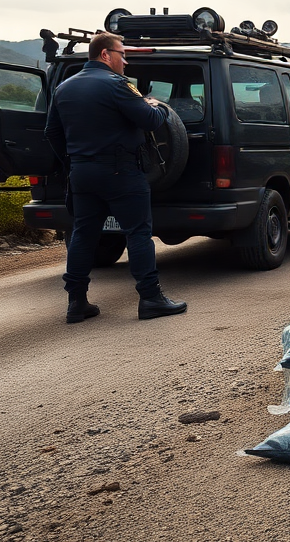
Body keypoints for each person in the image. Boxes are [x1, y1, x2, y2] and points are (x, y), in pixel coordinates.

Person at [44, 31, 188, 323]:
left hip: (82, 173)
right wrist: (156, 106)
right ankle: (151, 299)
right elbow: (150, 121)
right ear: (105, 55)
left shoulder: (64, 88)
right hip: (121, 171)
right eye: (123, 55)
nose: (126, 62)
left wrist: (74, 161)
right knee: (137, 232)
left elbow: (52, 133)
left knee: (83, 235)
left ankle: (77, 303)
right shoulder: (118, 85)